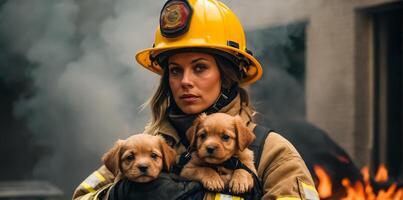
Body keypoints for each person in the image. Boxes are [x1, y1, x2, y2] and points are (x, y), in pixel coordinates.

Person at [73, 0, 319, 199]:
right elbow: (81, 196)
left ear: (226, 76)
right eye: (175, 70)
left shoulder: (270, 150)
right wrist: (117, 195)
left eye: (200, 68)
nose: (185, 81)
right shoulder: (147, 148)